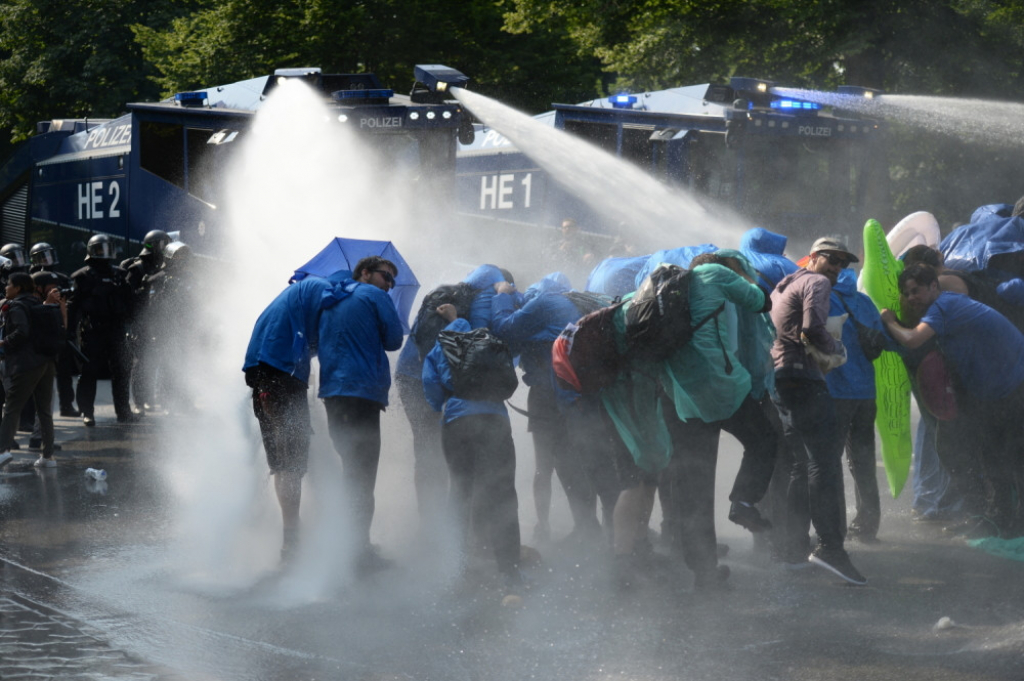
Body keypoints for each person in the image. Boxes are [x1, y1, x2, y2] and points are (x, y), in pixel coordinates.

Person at [880, 263, 1024, 538]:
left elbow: (912, 340)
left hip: (1015, 383)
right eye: (906, 293)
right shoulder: (942, 308)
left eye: (916, 290)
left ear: (934, 286)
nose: (911, 297)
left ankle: (1014, 521)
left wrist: (889, 321)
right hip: (994, 390)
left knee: (1012, 456)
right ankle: (997, 516)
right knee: (991, 454)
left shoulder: (944, 306)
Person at [769, 236, 866, 585]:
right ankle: (830, 548)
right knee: (824, 463)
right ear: (813, 257)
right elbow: (811, 330)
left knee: (801, 465)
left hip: (782, 380)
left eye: (843, 263)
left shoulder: (784, 285)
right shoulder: (817, 282)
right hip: (805, 380)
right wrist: (836, 349)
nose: (838, 268)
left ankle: (792, 549)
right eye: (832, 259)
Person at [490, 272, 604, 545]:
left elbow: (504, 329)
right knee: (575, 462)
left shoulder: (543, 304)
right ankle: (589, 525)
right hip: (577, 394)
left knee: (545, 465)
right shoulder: (575, 306)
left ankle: (545, 527)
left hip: (546, 396)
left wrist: (502, 297)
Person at [244, 272, 345, 561]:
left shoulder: (295, 298)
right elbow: (328, 335)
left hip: (266, 377)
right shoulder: (323, 290)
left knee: (283, 462)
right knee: (292, 462)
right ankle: (292, 540)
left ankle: (291, 533)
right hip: (280, 379)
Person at [422, 303, 522, 586]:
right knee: (502, 492)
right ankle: (510, 571)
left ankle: (456, 567)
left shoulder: (441, 345)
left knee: (460, 491)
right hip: (495, 419)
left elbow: (430, 383)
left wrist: (441, 406)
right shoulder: (490, 342)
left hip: (458, 421)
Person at [317, 255, 404, 572]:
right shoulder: (374, 296)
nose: (389, 284)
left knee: (349, 470)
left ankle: (339, 544)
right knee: (362, 477)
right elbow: (394, 340)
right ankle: (358, 555)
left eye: (392, 280)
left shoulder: (329, 296)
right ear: (365, 273)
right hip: (362, 393)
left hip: (333, 394)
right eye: (386, 276)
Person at [826, 268, 885, 543]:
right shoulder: (864, 301)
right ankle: (868, 525)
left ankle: (833, 528)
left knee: (828, 463)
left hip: (836, 392)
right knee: (863, 461)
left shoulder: (824, 299)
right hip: (866, 393)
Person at [67, 234, 134, 426]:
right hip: (93, 330)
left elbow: (130, 303)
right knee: (89, 373)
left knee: (122, 371)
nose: (104, 253)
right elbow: (73, 307)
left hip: (116, 330)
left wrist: (132, 325)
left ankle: (123, 412)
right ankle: (87, 412)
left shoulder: (120, 275)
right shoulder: (82, 276)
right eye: (99, 249)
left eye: (107, 248)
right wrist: (69, 331)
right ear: (91, 251)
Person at [0, 272, 63, 467]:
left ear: (18, 288)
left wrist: (3, 342)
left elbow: (22, 332)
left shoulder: (17, 306)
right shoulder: (38, 303)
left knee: (12, 408)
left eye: (9, 284)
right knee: (44, 411)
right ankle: (48, 457)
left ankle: (2, 451)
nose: (6, 287)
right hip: (46, 362)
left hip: (27, 364)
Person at [121, 229, 172, 414]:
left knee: (163, 361)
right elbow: (127, 297)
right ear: (154, 245)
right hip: (142, 323)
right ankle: (140, 402)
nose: (165, 249)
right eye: (163, 245)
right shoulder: (137, 269)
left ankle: (158, 400)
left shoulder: (164, 269)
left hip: (161, 322)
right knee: (142, 363)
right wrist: (143, 288)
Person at [29, 242, 78, 417]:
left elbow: (71, 300)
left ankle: (67, 405)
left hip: (59, 327)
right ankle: (35, 412)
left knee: (64, 370)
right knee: (39, 374)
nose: (47, 260)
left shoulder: (62, 277)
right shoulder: (31, 279)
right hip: (41, 331)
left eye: (49, 255)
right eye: (43, 257)